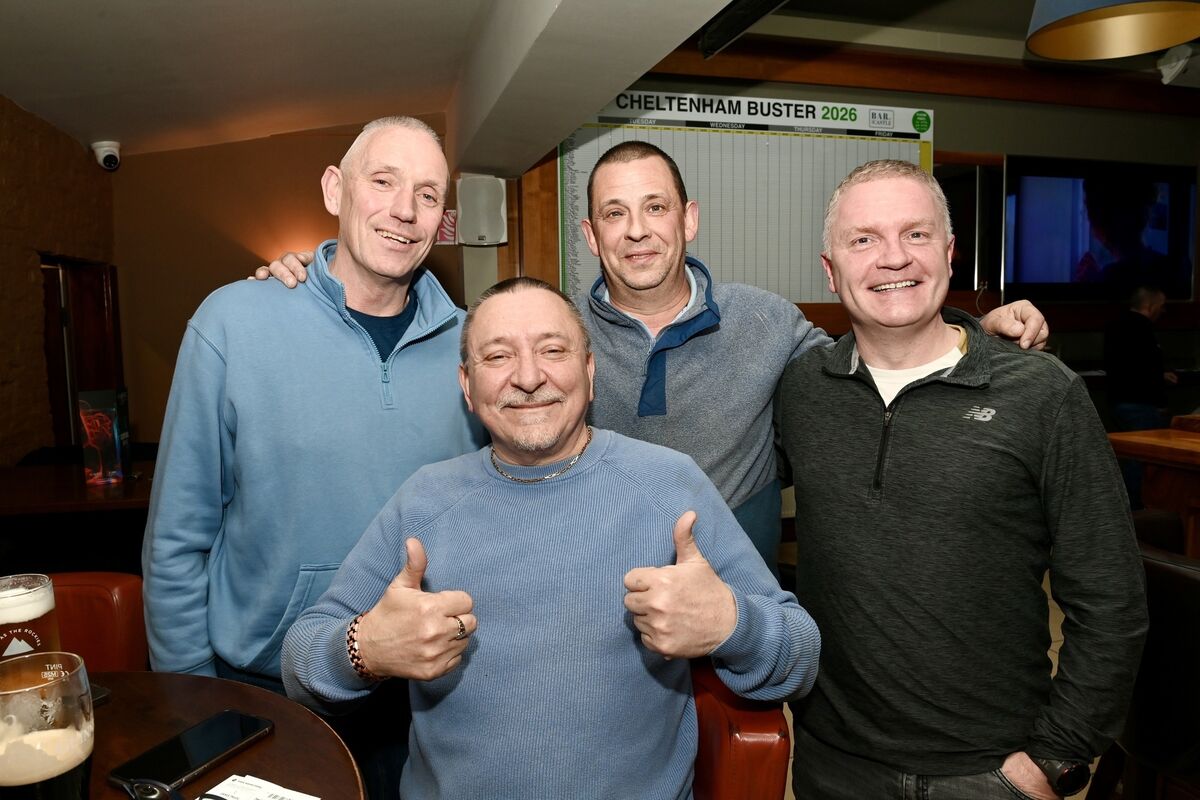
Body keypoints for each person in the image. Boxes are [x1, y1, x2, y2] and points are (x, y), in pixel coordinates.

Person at [260, 142, 1049, 577]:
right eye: (614, 214)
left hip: (727, 610)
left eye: (655, 208)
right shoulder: (550, 335)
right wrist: (313, 276)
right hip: (576, 596)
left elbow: (880, 349)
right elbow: (444, 349)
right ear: (589, 235)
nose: (637, 231)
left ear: (689, 218)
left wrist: (975, 324)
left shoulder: (767, 323)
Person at [281, 277, 820, 799]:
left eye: (553, 350)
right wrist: (365, 648)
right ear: (467, 385)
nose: (529, 377)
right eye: (497, 357)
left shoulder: (667, 484)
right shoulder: (424, 501)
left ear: (588, 371)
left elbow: (799, 654)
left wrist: (732, 625)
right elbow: (300, 665)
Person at [778, 159, 1148, 799]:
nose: (893, 258)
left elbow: (1111, 598)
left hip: (992, 772)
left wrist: (1054, 760)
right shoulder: (803, 390)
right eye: (863, 239)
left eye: (916, 235)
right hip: (832, 765)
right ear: (830, 268)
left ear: (949, 254)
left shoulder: (1040, 392)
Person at [142, 116, 486, 799]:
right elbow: (178, 542)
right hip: (263, 693)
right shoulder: (234, 323)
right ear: (336, 189)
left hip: (424, 693)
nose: (403, 210)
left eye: (426, 194)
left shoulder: (474, 347)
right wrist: (192, 704)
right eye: (382, 182)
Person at [1104, 284, 1178, 508]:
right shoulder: (1142, 328)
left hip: (1118, 401)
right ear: (1150, 305)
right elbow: (1145, 367)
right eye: (1161, 306)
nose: (1162, 311)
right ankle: (1136, 511)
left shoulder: (1115, 324)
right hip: (1140, 404)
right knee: (1141, 462)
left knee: (1129, 458)